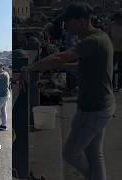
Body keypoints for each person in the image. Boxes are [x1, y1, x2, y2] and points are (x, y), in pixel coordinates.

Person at [24, 3, 115, 180]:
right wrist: (63, 66)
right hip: (102, 105)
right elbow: (84, 66)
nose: (65, 25)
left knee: (70, 153)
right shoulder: (100, 37)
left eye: (68, 21)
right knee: (95, 154)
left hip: (93, 109)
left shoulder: (92, 41)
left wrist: (30, 69)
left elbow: (59, 57)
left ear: (81, 21)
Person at [108, 12, 122, 92]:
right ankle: (112, 85)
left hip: (121, 50)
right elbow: (107, 34)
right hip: (112, 49)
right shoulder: (111, 25)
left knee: (121, 69)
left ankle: (119, 86)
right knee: (111, 68)